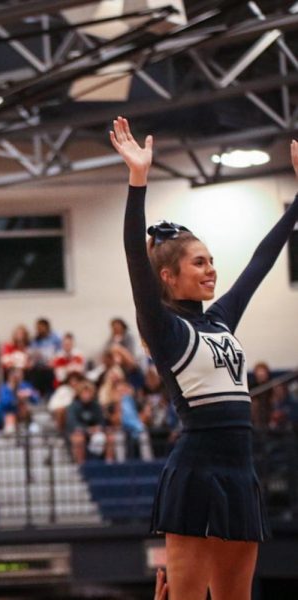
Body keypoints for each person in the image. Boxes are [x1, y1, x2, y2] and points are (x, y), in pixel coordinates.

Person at [111, 116, 298, 600]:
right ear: (169, 276)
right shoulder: (165, 328)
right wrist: (138, 183)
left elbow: (260, 262)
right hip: (195, 471)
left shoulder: (220, 320)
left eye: (212, 260)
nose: (212, 270)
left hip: (241, 472)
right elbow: (136, 257)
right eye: (200, 262)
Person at [65, 380, 109, 464]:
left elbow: (102, 421)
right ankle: (81, 465)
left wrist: (99, 428)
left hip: (95, 432)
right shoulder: (73, 406)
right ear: (79, 394)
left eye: (89, 393)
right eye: (84, 393)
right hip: (79, 432)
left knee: (110, 437)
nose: (87, 395)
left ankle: (109, 464)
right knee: (78, 438)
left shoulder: (96, 406)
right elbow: (72, 423)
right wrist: (87, 430)